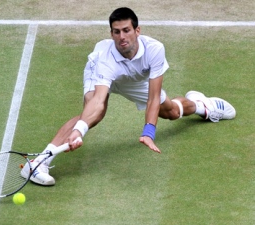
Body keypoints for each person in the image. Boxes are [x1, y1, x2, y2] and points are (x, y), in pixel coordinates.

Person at [21, 7, 236, 185]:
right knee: (93, 114)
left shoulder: (155, 50)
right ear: (111, 34)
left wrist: (148, 132)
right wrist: (79, 131)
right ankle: (39, 162)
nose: (121, 37)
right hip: (104, 74)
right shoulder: (105, 58)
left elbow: (153, 97)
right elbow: (96, 101)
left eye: (126, 30)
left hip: (133, 79)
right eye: (116, 32)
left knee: (170, 111)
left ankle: (203, 106)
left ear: (137, 30)